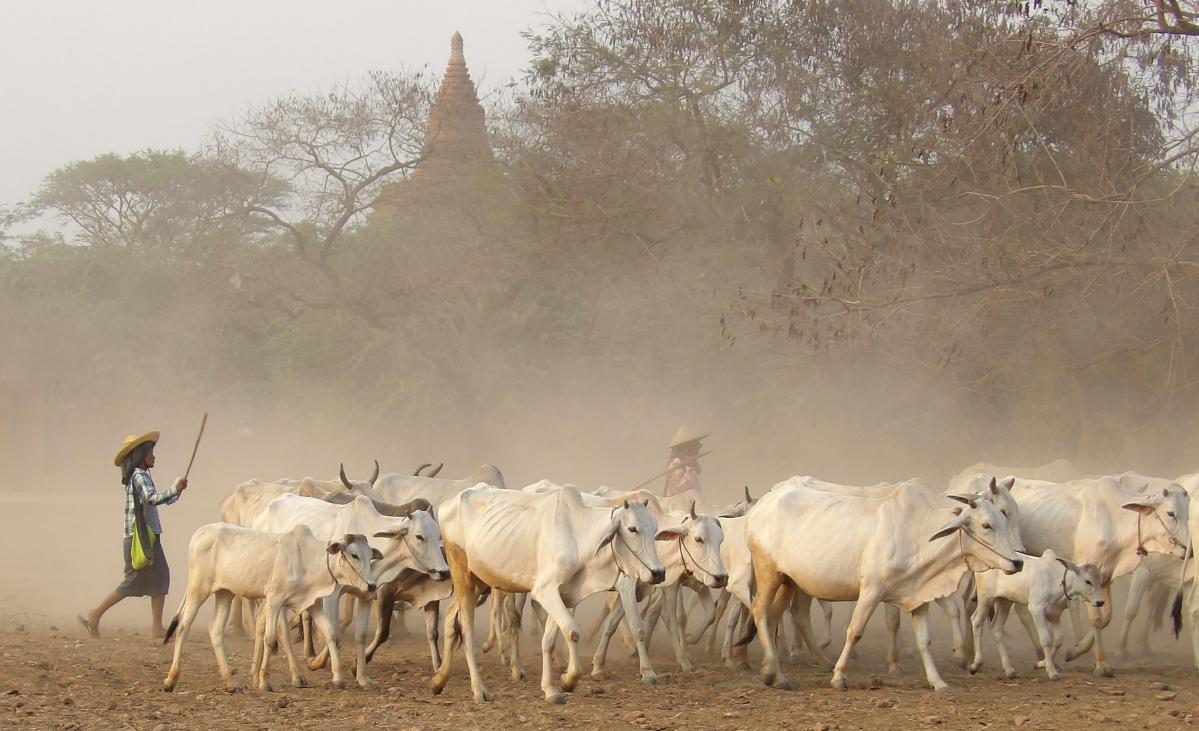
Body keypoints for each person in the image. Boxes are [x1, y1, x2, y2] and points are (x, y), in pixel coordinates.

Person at [78, 431, 187, 639]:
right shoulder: (139, 475)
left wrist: (177, 490)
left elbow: (157, 500)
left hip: (146, 537)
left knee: (159, 578)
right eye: (151, 452)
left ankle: (156, 627)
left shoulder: (141, 474)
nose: (154, 456)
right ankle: (95, 614)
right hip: (141, 539)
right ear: (141, 454)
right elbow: (152, 498)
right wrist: (174, 489)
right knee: (136, 581)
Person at [664, 425, 707, 497]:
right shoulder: (676, 463)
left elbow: (695, 488)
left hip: (693, 503)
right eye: (694, 445)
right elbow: (675, 490)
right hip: (679, 504)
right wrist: (688, 470)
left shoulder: (691, 465)